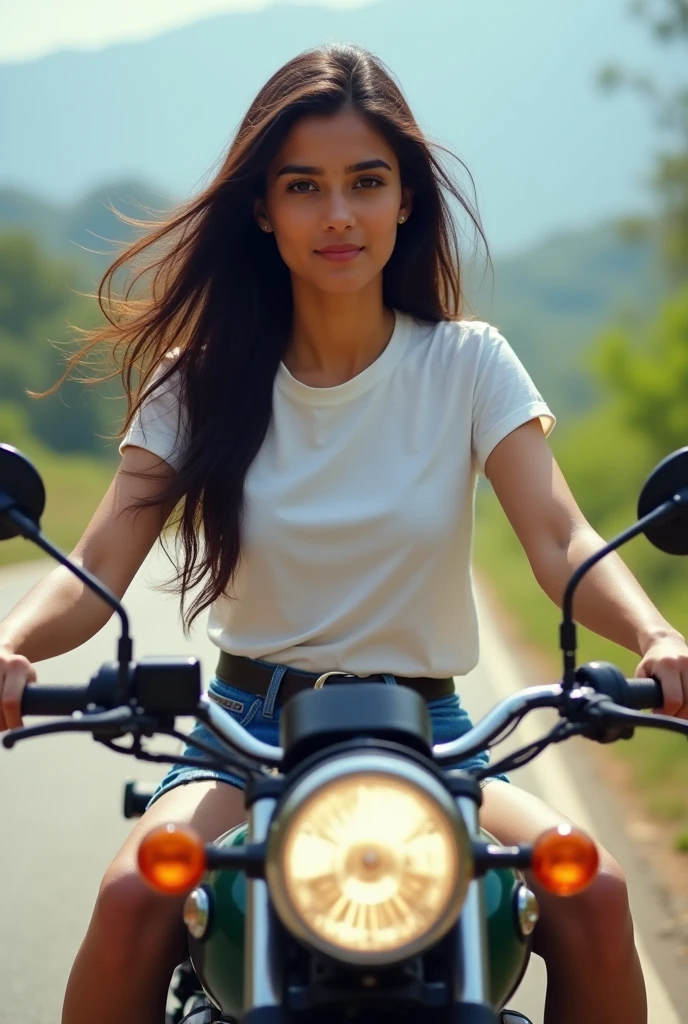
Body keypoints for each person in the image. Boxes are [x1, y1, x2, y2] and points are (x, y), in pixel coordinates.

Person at [0, 43, 686, 1024]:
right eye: (303, 187)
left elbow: (559, 538)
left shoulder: (468, 364)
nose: (337, 215)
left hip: (436, 740)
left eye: (365, 183)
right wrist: (11, 643)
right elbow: (102, 557)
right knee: (131, 899)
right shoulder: (199, 380)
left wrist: (657, 639)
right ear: (262, 209)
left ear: (404, 199)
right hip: (246, 738)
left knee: (594, 893)